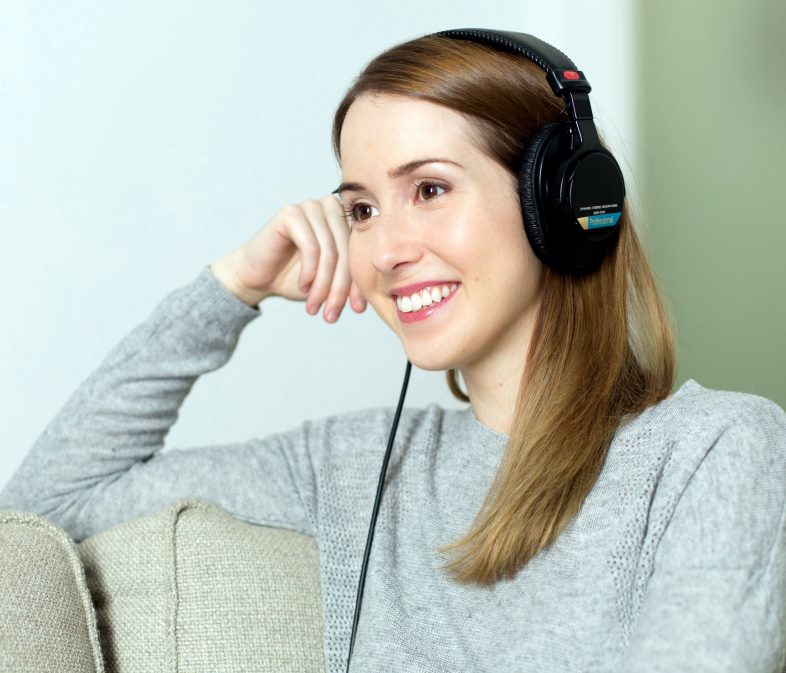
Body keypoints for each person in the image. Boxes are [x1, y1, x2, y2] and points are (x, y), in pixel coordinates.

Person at [2, 28, 786, 673]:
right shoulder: (356, 465)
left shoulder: (717, 451)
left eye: (431, 189)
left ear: (564, 201)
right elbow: (49, 503)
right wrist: (231, 287)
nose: (386, 251)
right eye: (363, 209)